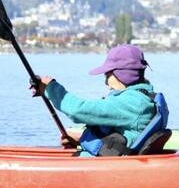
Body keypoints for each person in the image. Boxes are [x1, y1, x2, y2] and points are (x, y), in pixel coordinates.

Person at [31, 44, 169, 156]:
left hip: (110, 169)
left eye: (107, 75)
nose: (106, 82)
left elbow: (78, 110)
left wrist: (50, 88)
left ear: (122, 74)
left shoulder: (133, 102)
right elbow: (115, 140)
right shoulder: (142, 99)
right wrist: (82, 138)